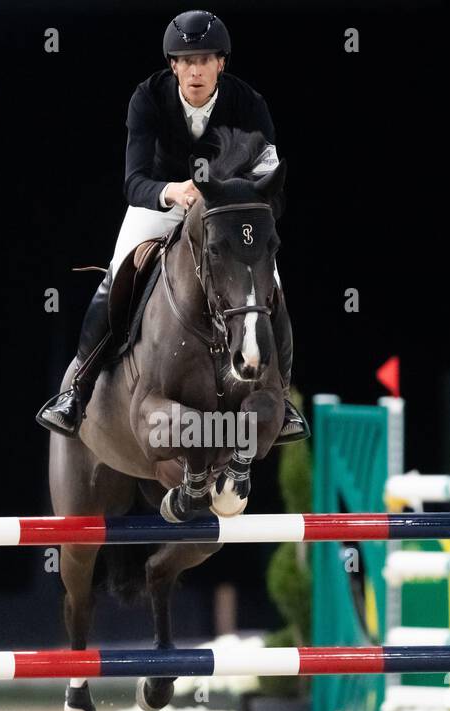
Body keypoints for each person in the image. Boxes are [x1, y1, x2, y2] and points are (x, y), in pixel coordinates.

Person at [36, 9, 308, 443]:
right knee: (119, 271)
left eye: (205, 60)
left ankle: (282, 397)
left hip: (226, 212)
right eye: (186, 60)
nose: (195, 70)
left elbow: (269, 180)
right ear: (173, 65)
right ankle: (77, 390)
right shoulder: (147, 98)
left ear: (221, 63)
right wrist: (173, 192)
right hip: (164, 202)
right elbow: (133, 181)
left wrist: (239, 201)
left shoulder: (249, 103)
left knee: (272, 282)